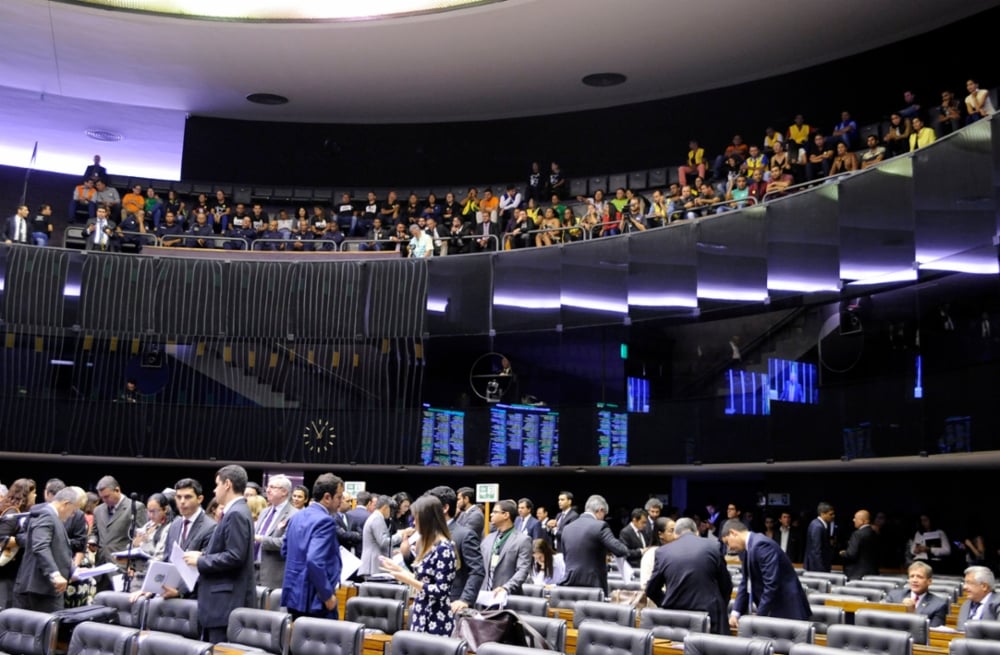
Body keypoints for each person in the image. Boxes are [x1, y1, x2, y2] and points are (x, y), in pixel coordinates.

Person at [183, 465, 256, 643]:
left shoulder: (236, 513)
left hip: (225, 604)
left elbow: (234, 556)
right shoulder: (236, 511)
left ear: (227, 484)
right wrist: (203, 554)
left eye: (217, 484)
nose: (214, 489)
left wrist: (201, 560)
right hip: (222, 602)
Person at [380, 495, 457, 636]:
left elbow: (441, 590)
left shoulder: (445, 548)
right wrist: (397, 568)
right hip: (421, 612)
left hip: (436, 618)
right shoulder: (430, 545)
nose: (414, 523)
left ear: (428, 519)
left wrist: (407, 580)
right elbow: (423, 579)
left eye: (416, 518)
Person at [646, 518, 731, 634]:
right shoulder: (713, 546)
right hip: (711, 615)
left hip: (676, 619)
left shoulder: (662, 552)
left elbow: (651, 589)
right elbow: (726, 584)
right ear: (696, 532)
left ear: (675, 534)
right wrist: (720, 604)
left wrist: (667, 601)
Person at [280, 473, 343, 619]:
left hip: (294, 597)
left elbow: (284, 552)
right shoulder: (325, 521)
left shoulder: (296, 517)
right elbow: (314, 560)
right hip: (316, 600)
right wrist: (327, 595)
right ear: (327, 497)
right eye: (339, 497)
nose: (341, 501)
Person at [727, 521, 811, 628]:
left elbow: (771, 584)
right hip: (774, 609)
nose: (729, 548)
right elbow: (746, 581)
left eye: (727, 542)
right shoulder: (748, 548)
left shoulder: (761, 545)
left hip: (787, 609)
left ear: (733, 533)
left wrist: (759, 616)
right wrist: (736, 612)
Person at [12, 487, 80, 612]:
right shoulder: (46, 515)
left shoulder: (52, 516)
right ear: (66, 504)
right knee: (44, 629)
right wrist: (55, 574)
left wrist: (73, 569)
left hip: (46, 589)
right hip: (40, 589)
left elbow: (57, 549)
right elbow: (40, 546)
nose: (72, 515)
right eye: (73, 510)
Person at [559, 494, 641, 595]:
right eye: (604, 515)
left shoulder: (567, 528)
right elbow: (621, 550)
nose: (603, 518)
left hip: (569, 583)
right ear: (600, 510)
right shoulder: (600, 526)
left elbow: (565, 556)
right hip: (593, 586)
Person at [421, 486, 484, 614]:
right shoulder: (428, 534)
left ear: (445, 508)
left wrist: (465, 600)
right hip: (427, 598)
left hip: (452, 602)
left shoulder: (465, 535)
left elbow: (477, 570)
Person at [93, 475, 147, 589]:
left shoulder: (135, 507)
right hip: (101, 568)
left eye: (107, 496)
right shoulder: (98, 510)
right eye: (102, 497)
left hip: (122, 567)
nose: (104, 500)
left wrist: (133, 567)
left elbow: (141, 541)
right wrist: (92, 541)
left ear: (117, 490)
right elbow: (94, 532)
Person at [478, 499, 532, 601]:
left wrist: (506, 588)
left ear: (506, 515)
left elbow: (523, 570)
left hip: (507, 596)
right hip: (484, 595)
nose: (490, 515)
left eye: (495, 512)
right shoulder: (488, 538)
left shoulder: (523, 540)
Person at [255, 474, 298, 590]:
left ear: (284, 492)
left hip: (274, 574)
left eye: (272, 487)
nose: (267, 490)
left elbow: (285, 543)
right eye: (267, 487)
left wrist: (259, 539)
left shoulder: (294, 515)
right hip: (253, 570)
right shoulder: (264, 512)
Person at [0, 478, 36, 609]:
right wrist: (23, 540)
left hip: (9, 570)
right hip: (6, 571)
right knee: (5, 607)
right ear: (25, 495)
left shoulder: (18, 512)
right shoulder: (13, 512)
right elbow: (1, 537)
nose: (35, 496)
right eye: (33, 493)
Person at [359, 495, 410, 578]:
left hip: (374, 565)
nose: (391, 513)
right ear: (385, 507)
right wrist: (400, 534)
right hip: (373, 567)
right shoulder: (377, 518)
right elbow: (383, 542)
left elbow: (378, 542)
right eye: (391, 510)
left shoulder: (376, 517)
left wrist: (391, 551)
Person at [884, 561, 948, 627]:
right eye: (912, 576)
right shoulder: (894, 596)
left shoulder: (939, 605)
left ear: (929, 581)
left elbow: (933, 634)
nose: (914, 580)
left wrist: (913, 613)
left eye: (919, 577)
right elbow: (883, 621)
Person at [957, 565, 1000, 630]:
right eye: (965, 583)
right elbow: (960, 630)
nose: (964, 587)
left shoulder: (998, 603)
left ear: (984, 586)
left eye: (969, 583)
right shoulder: (966, 604)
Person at [839, 509, 878, 580]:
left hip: (857, 574)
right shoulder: (873, 533)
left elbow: (851, 554)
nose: (853, 520)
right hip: (872, 572)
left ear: (864, 521)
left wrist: (843, 553)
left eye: (856, 518)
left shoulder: (857, 534)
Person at [639, 516, 675, 589]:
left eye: (676, 531)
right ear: (660, 534)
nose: (675, 534)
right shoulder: (651, 554)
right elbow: (645, 584)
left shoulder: (675, 551)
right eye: (671, 531)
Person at [804, 502, 835, 571]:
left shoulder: (820, 525)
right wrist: (821, 570)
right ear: (822, 514)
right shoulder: (817, 526)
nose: (833, 516)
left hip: (819, 565)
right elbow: (816, 550)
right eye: (830, 514)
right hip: (816, 567)